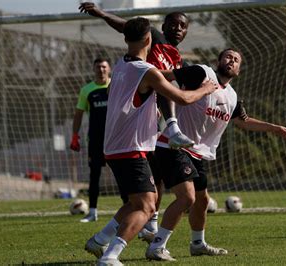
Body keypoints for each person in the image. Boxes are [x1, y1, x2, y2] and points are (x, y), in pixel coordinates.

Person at [83, 17, 217, 266]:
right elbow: (183, 98)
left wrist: (178, 71)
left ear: (126, 39)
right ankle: (110, 257)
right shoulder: (147, 72)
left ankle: (99, 240)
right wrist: (206, 89)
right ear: (149, 39)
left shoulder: (121, 65)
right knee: (146, 207)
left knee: (139, 201)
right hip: (130, 148)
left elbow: (157, 76)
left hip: (115, 147)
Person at [145, 48, 286, 261]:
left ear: (239, 69)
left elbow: (242, 122)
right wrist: (143, 74)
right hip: (173, 146)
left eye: (236, 60)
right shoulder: (201, 73)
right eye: (228, 57)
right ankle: (157, 246)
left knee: (202, 200)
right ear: (218, 60)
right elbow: (164, 77)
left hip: (198, 153)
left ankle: (197, 244)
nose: (232, 61)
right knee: (187, 197)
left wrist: (274, 128)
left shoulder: (232, 96)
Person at [79, 1, 191, 239]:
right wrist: (100, 12)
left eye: (183, 26)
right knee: (142, 193)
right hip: (135, 123)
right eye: (173, 24)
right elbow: (126, 26)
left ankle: (144, 226)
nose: (178, 28)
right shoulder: (154, 41)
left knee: (153, 179)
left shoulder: (176, 56)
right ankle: (173, 128)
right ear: (161, 28)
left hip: (147, 122)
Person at [70, 58, 111, 223]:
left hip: (116, 139)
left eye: (104, 67)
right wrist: (75, 135)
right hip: (95, 140)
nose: (101, 70)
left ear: (109, 69)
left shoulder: (116, 86)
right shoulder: (87, 90)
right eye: (98, 67)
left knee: (122, 175)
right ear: (93, 69)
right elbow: (79, 114)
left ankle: (128, 208)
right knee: (94, 175)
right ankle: (92, 212)